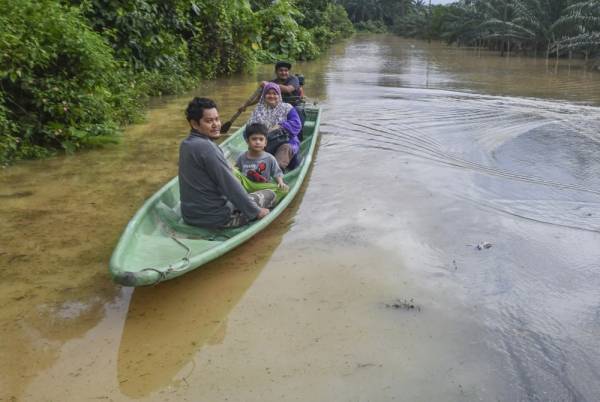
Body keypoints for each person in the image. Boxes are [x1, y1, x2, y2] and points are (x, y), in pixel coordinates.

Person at [178, 97, 275, 228]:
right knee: (270, 194)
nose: (216, 124)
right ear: (195, 124)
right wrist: (256, 212)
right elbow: (230, 185)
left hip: (190, 215)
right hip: (217, 219)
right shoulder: (208, 148)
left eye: (217, 119)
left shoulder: (186, 144)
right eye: (209, 121)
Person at [248, 83, 302, 170]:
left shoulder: (287, 107)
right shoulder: (258, 109)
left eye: (275, 93)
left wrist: (279, 126)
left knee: (285, 149)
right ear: (264, 95)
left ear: (279, 95)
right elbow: (249, 128)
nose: (272, 96)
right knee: (255, 146)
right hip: (264, 142)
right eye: (268, 93)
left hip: (285, 141)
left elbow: (296, 124)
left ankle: (276, 171)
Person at [236, 122, 289, 191]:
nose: (258, 142)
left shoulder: (270, 158)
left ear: (265, 143)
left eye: (261, 139)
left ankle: (257, 197)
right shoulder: (242, 157)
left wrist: (280, 183)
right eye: (254, 139)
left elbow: (277, 173)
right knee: (233, 172)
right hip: (247, 186)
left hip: (264, 187)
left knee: (284, 190)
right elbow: (238, 170)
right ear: (247, 142)